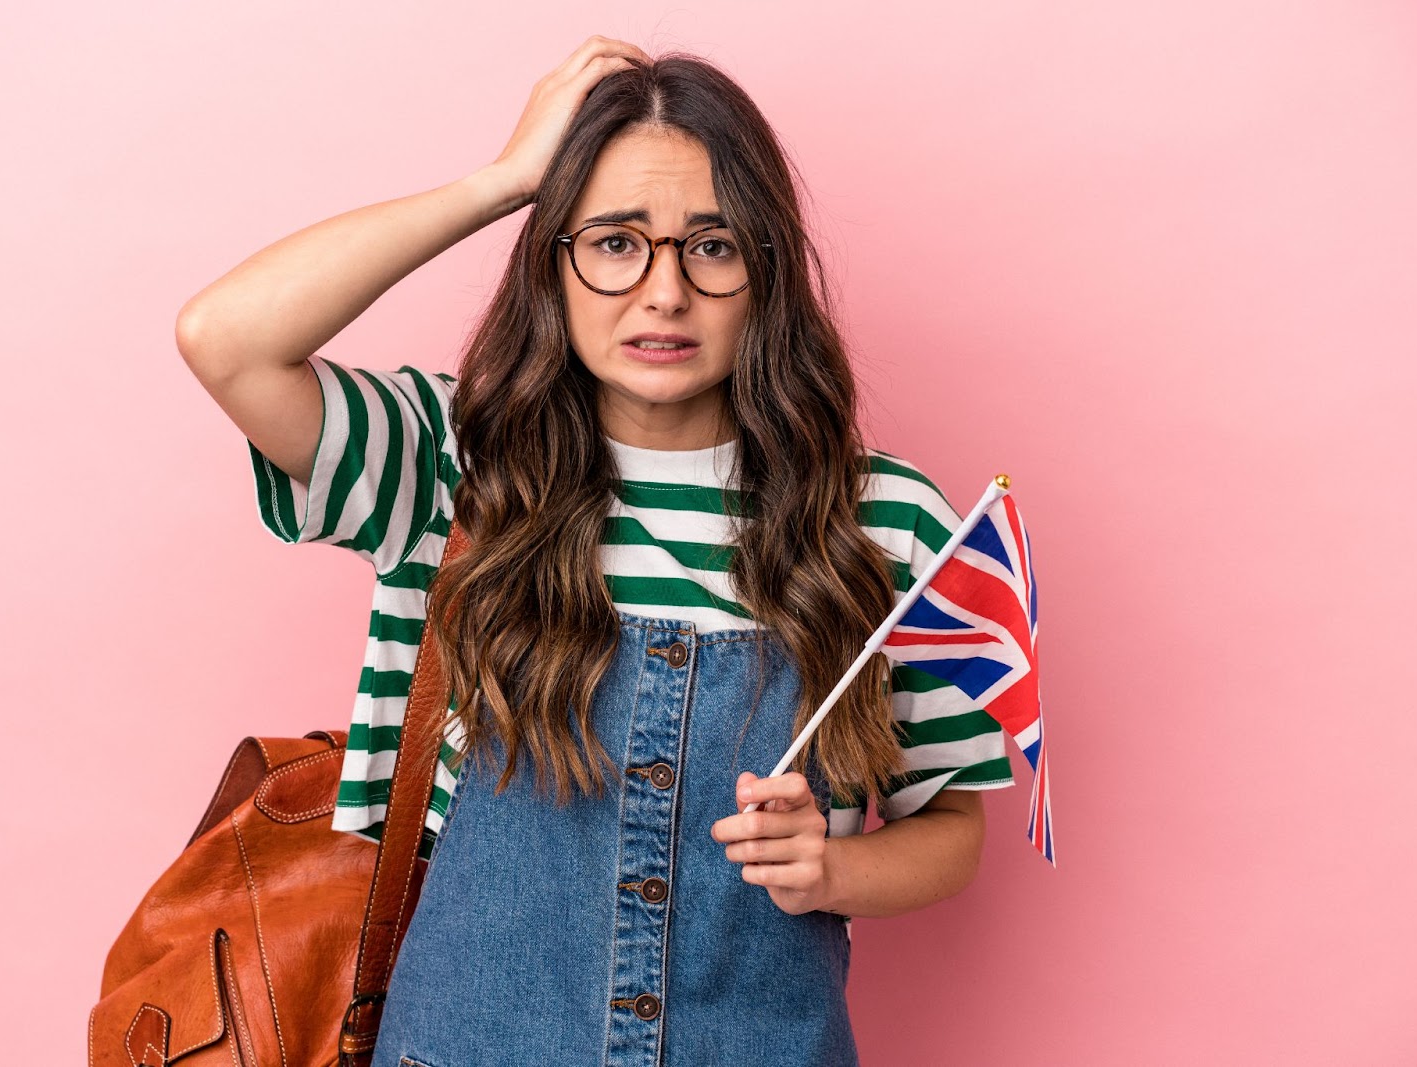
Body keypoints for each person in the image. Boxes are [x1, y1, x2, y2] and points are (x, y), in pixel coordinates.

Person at [176, 35, 1015, 1067]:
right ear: (554, 261)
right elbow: (227, 337)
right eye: (614, 241)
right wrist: (503, 181)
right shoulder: (451, 471)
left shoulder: (886, 522)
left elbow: (952, 826)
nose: (663, 292)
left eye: (711, 246)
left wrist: (831, 871)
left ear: (766, 273)